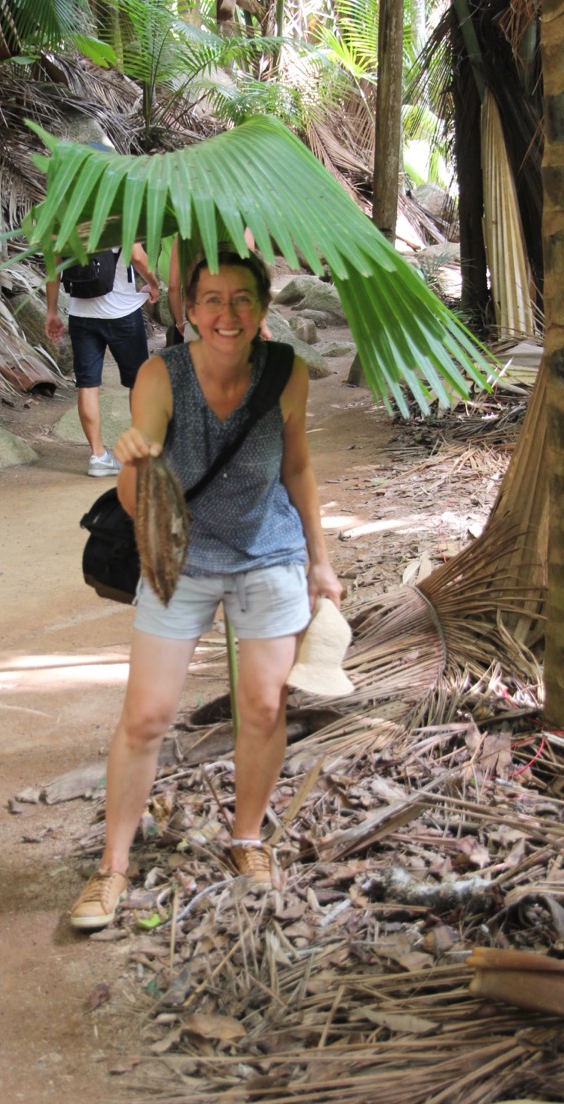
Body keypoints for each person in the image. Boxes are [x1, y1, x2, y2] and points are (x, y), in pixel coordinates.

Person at [69, 248, 342, 931]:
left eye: (242, 298)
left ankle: (247, 838)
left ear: (264, 307)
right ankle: (112, 868)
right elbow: (138, 501)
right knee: (147, 715)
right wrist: (135, 459)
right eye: (212, 300)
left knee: (263, 706)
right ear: (188, 310)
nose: (227, 313)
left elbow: (298, 469)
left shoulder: (286, 372)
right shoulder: (162, 375)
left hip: (268, 553)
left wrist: (320, 561)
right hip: (180, 556)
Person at [45, 243, 159, 477]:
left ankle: (98, 456)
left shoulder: (62, 225)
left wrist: (52, 311)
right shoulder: (113, 220)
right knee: (139, 383)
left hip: (81, 315)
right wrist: (154, 284)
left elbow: (53, 268)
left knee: (87, 384)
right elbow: (137, 256)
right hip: (122, 312)